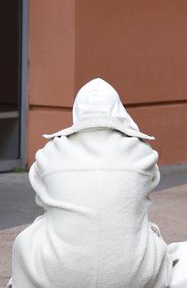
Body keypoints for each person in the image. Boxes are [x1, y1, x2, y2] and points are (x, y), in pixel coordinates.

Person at [11, 78, 171, 288]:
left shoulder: (51, 152)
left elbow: (41, 196)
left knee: (35, 231)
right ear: (118, 109)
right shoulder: (142, 154)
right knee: (142, 226)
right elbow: (149, 184)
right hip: (132, 276)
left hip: (59, 276)